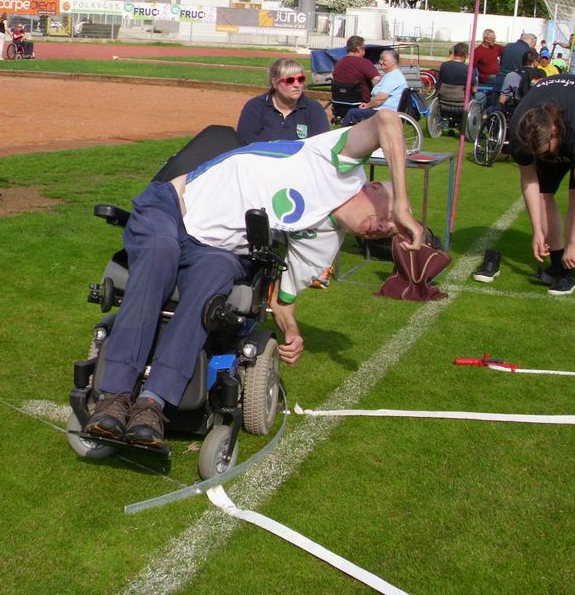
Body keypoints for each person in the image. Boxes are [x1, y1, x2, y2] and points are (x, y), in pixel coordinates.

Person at [84, 109, 425, 448]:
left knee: (217, 273)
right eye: (386, 217)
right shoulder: (339, 164)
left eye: (387, 232)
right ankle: (113, 396)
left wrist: (292, 332)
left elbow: (282, 299)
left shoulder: (324, 247)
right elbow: (387, 121)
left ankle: (152, 404)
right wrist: (403, 206)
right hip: (172, 206)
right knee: (161, 252)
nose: (382, 227)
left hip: (213, 249)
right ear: (374, 187)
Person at [507, 74, 575, 296]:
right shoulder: (520, 132)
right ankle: (557, 264)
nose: (543, 157)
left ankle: (569, 271)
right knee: (544, 192)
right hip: (561, 117)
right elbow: (530, 181)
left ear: (555, 133)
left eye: (545, 151)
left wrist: (574, 246)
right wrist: (537, 230)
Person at [236, 58, 329, 142]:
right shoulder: (255, 107)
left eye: (300, 79)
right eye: (290, 80)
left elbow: (321, 144)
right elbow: (245, 142)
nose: (297, 85)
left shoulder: (313, 109)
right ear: (274, 83)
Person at [341, 48, 408, 125]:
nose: (381, 62)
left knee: (352, 113)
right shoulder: (391, 75)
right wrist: (368, 104)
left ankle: (344, 132)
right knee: (356, 111)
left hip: (385, 112)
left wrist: (367, 106)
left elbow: (381, 98)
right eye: (380, 60)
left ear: (394, 62)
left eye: (384, 60)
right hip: (382, 110)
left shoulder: (393, 76)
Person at [331, 35, 381, 105]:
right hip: (361, 104)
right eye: (364, 48)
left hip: (339, 103)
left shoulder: (338, 64)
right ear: (359, 49)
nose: (364, 51)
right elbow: (376, 79)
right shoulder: (364, 63)